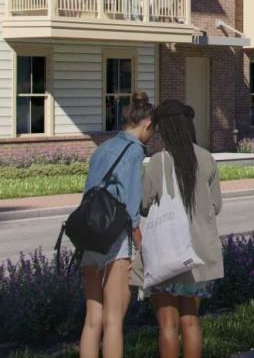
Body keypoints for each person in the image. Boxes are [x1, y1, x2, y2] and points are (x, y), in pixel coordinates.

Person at [141, 100, 223, 358]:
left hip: (166, 254)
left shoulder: (158, 162)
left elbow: (143, 205)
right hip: (199, 254)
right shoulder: (207, 158)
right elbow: (216, 206)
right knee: (191, 321)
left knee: (168, 325)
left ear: (164, 129)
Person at [80, 91, 155, 358]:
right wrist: (141, 246)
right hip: (115, 238)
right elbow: (131, 207)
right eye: (153, 131)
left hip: (89, 233)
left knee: (93, 319)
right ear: (147, 124)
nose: (152, 136)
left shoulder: (104, 147)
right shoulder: (133, 151)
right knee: (113, 321)